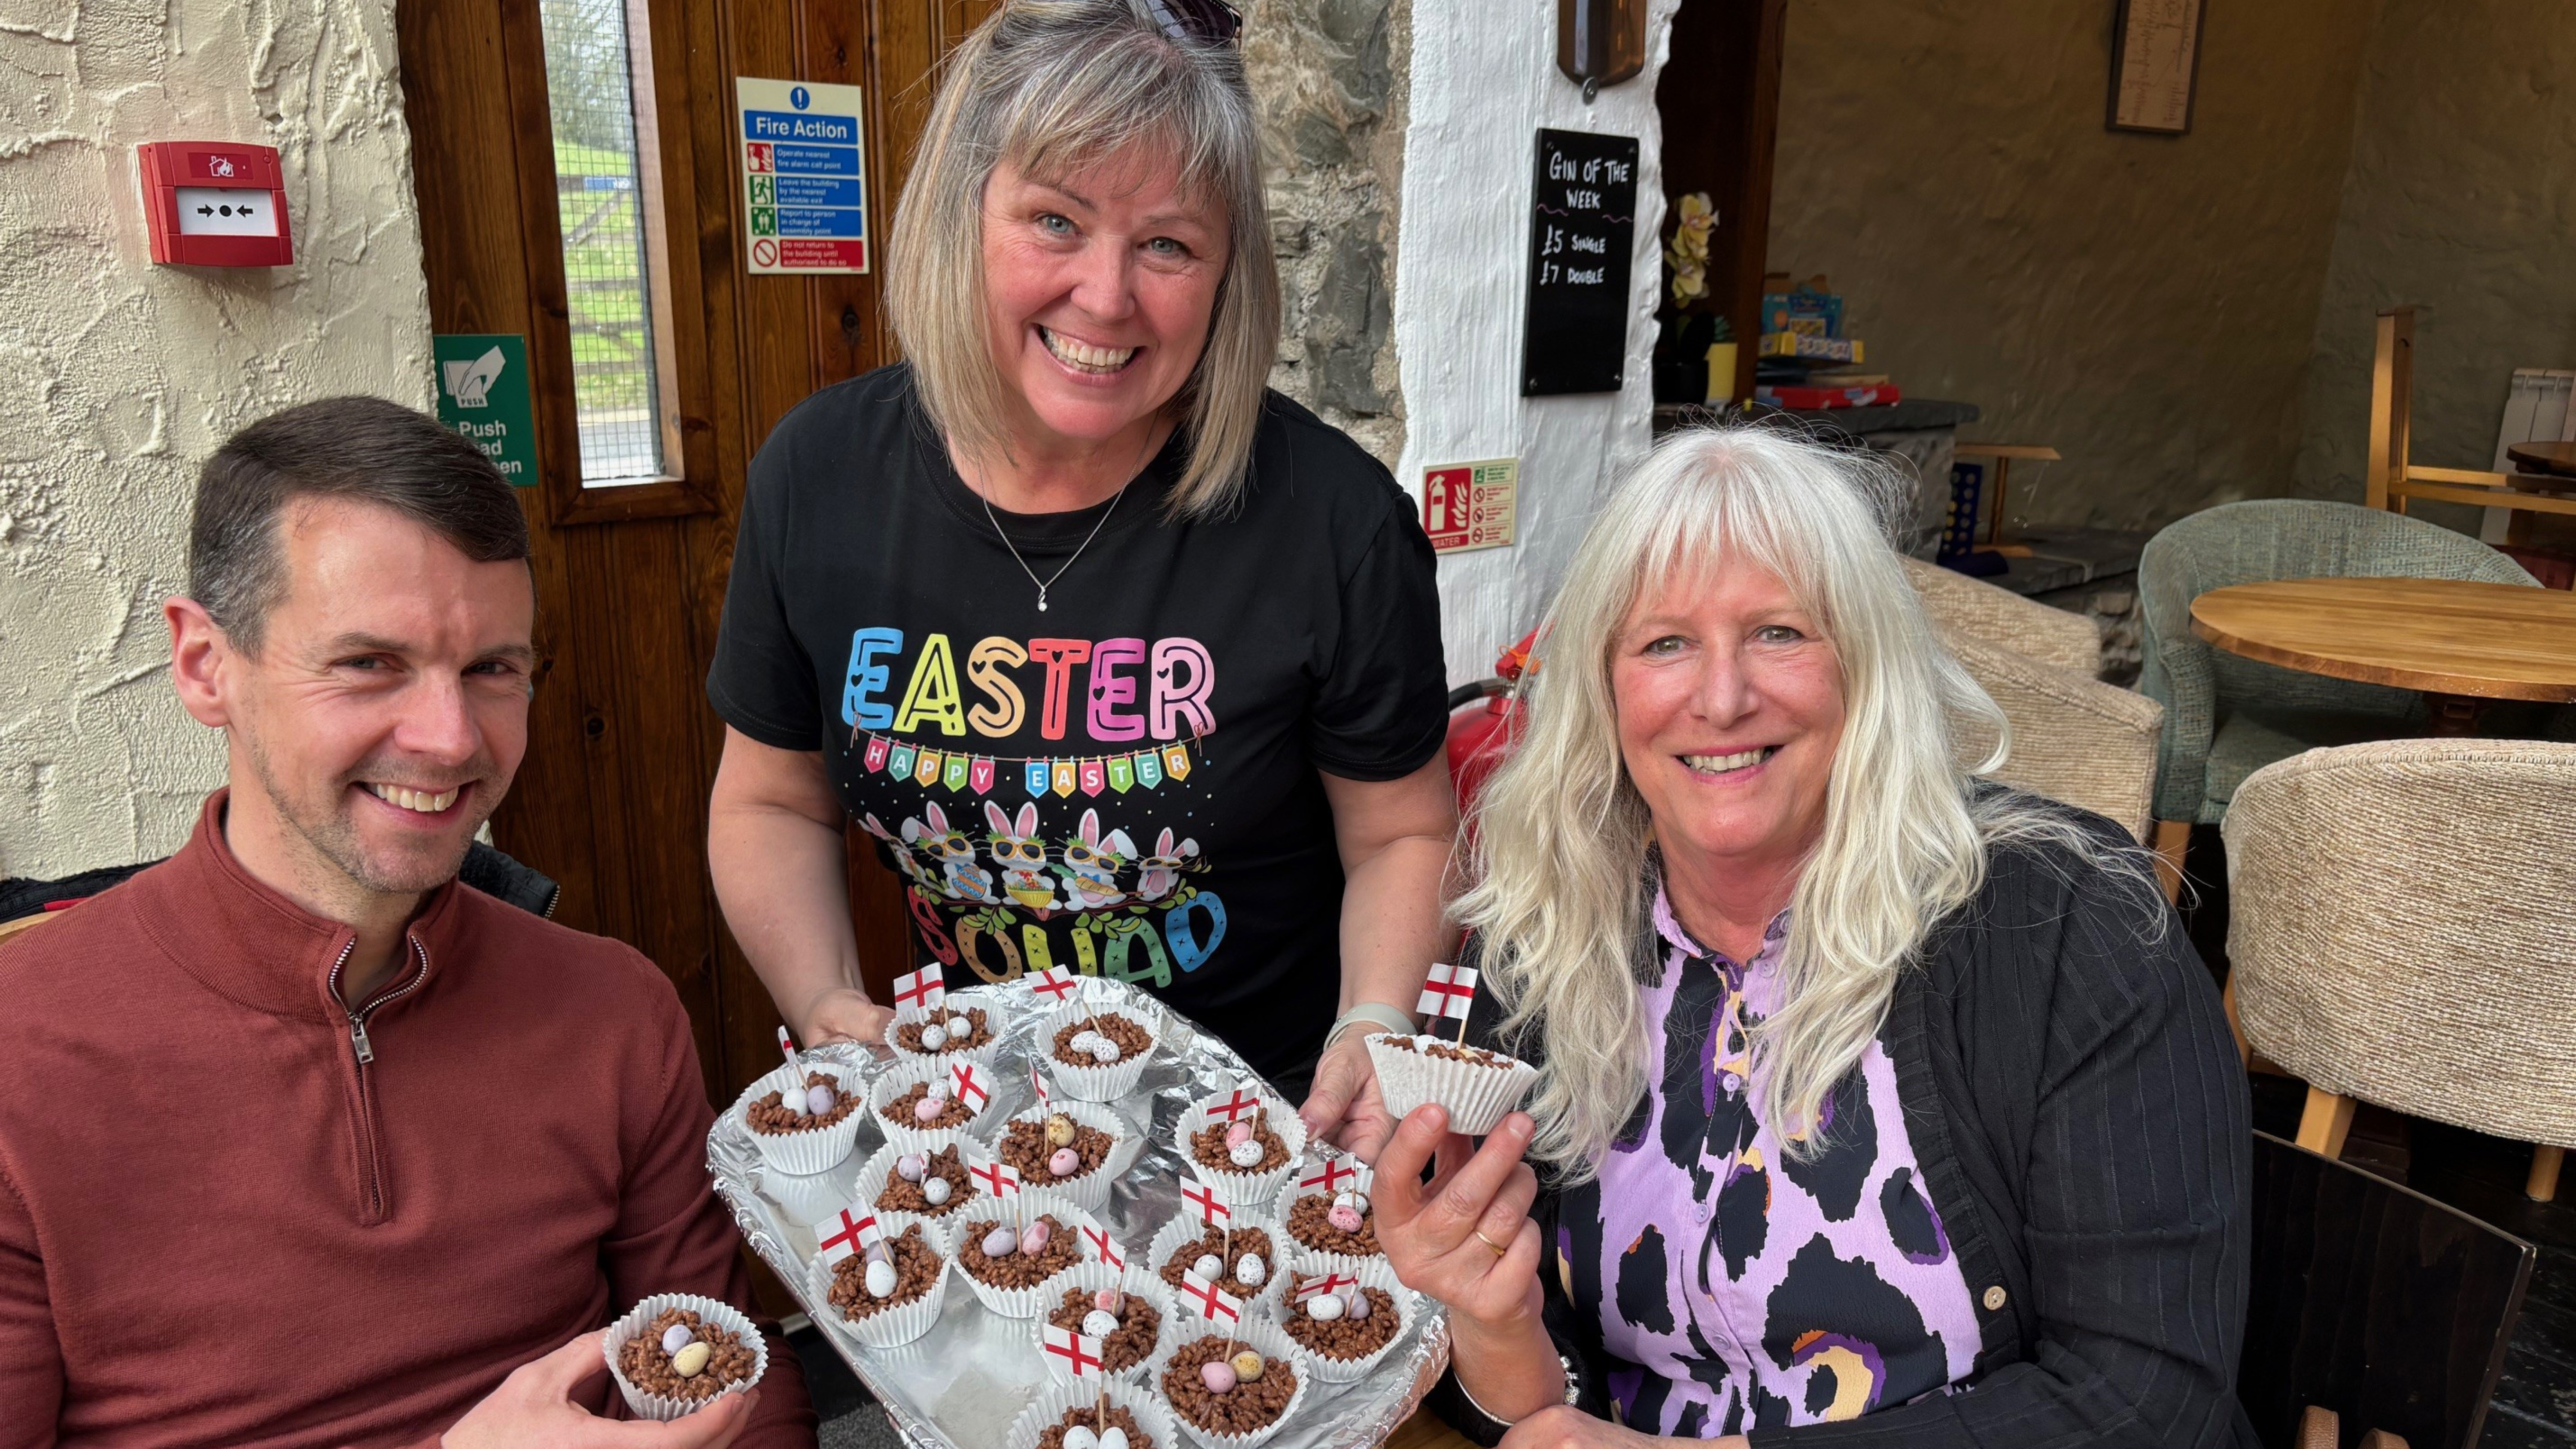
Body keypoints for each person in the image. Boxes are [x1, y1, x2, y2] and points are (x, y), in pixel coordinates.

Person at [1375, 428, 2254, 1446]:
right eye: (1665, 643)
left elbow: (2147, 1402)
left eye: (1780, 633)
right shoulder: (1547, 937)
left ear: (1867, 667)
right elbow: (1549, 1414)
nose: (1722, 697)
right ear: (1604, 693)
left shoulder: (2063, 922)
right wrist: (1493, 1316)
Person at [705, 0, 1451, 1158]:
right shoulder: (820, 478)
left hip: (1263, 1146)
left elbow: (1401, 832)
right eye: (1055, 220)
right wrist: (826, 1004)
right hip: (973, 1135)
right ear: (966, 213)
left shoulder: (1337, 523)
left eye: (1167, 243)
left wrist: (1374, 1018)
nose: (1107, 297)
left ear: (1225, 273)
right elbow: (770, 799)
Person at [0, 398, 814, 1448]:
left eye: (493, 669)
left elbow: (735, 1361)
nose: (449, 738)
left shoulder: (613, 1007)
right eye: (368, 663)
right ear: (207, 666)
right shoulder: (26, 1049)